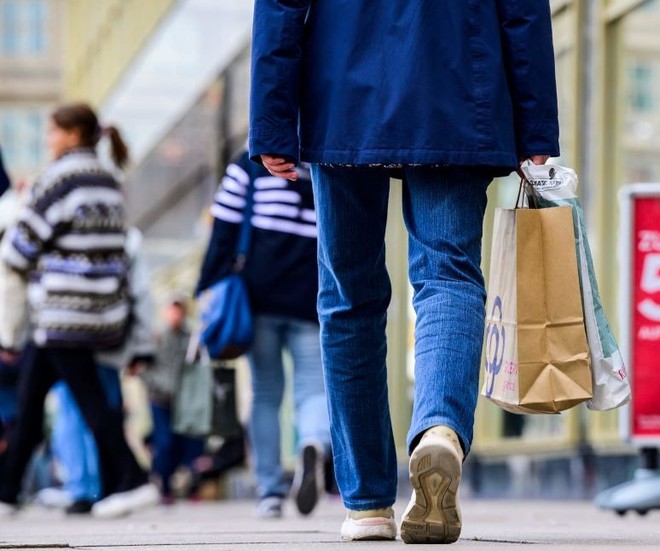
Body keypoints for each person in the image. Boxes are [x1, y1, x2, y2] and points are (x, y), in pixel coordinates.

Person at [249, 1, 559, 543]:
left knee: (349, 296)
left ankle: (368, 503)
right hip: (459, 81)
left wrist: (273, 119)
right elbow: (522, 8)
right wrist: (535, 129)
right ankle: (438, 428)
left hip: (342, 85)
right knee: (449, 273)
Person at [0, 102, 159, 518]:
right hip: (98, 311)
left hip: (62, 311)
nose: (47, 141)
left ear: (72, 134)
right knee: (31, 401)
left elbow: (18, 249)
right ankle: (7, 491)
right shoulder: (108, 179)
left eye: (51, 133)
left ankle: (136, 479)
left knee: (89, 402)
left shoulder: (60, 178)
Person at [196, 152, 331, 518]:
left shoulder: (250, 164)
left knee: (266, 393)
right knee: (314, 390)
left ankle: (269, 492)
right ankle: (313, 444)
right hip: (311, 296)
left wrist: (205, 288)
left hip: (258, 297)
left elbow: (223, 229)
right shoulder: (324, 161)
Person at [38, 228, 155, 514]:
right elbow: (140, 292)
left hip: (82, 336)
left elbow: (140, 291)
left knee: (84, 409)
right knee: (89, 409)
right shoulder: (123, 236)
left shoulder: (62, 232)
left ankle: (90, 487)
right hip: (97, 336)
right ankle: (94, 486)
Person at [139, 299, 203, 504]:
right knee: (164, 442)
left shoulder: (191, 338)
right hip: (159, 398)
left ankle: (181, 485)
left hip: (182, 401)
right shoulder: (157, 337)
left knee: (183, 443)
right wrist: (155, 385)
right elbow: (143, 368)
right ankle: (162, 485)